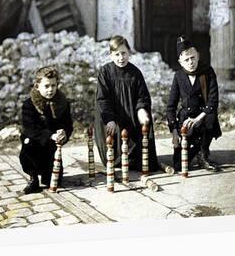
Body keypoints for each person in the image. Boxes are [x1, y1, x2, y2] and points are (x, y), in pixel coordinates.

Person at [94, 35, 159, 172]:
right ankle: (117, 156)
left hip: (131, 114)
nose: (121, 58)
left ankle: (134, 157)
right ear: (111, 55)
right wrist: (109, 119)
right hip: (113, 117)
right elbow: (102, 99)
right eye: (117, 54)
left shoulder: (135, 73)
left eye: (124, 53)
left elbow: (143, 96)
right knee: (113, 149)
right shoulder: (105, 72)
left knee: (142, 153)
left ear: (129, 52)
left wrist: (141, 109)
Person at [166, 36, 222, 172]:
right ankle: (197, 148)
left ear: (198, 56)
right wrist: (174, 130)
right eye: (186, 59)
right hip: (186, 120)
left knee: (211, 116)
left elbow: (213, 101)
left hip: (203, 117)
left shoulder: (207, 72)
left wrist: (198, 119)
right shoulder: (178, 76)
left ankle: (203, 153)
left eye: (193, 57)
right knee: (179, 166)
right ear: (180, 62)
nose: (190, 62)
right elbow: (171, 106)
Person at [19, 65, 73, 194]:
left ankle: (46, 174)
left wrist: (63, 133)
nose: (50, 90)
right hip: (35, 142)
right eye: (46, 86)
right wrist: (50, 135)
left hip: (51, 146)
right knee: (28, 143)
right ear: (37, 86)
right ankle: (33, 178)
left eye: (53, 86)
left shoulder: (62, 103)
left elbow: (68, 124)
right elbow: (31, 128)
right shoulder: (29, 105)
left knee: (53, 181)